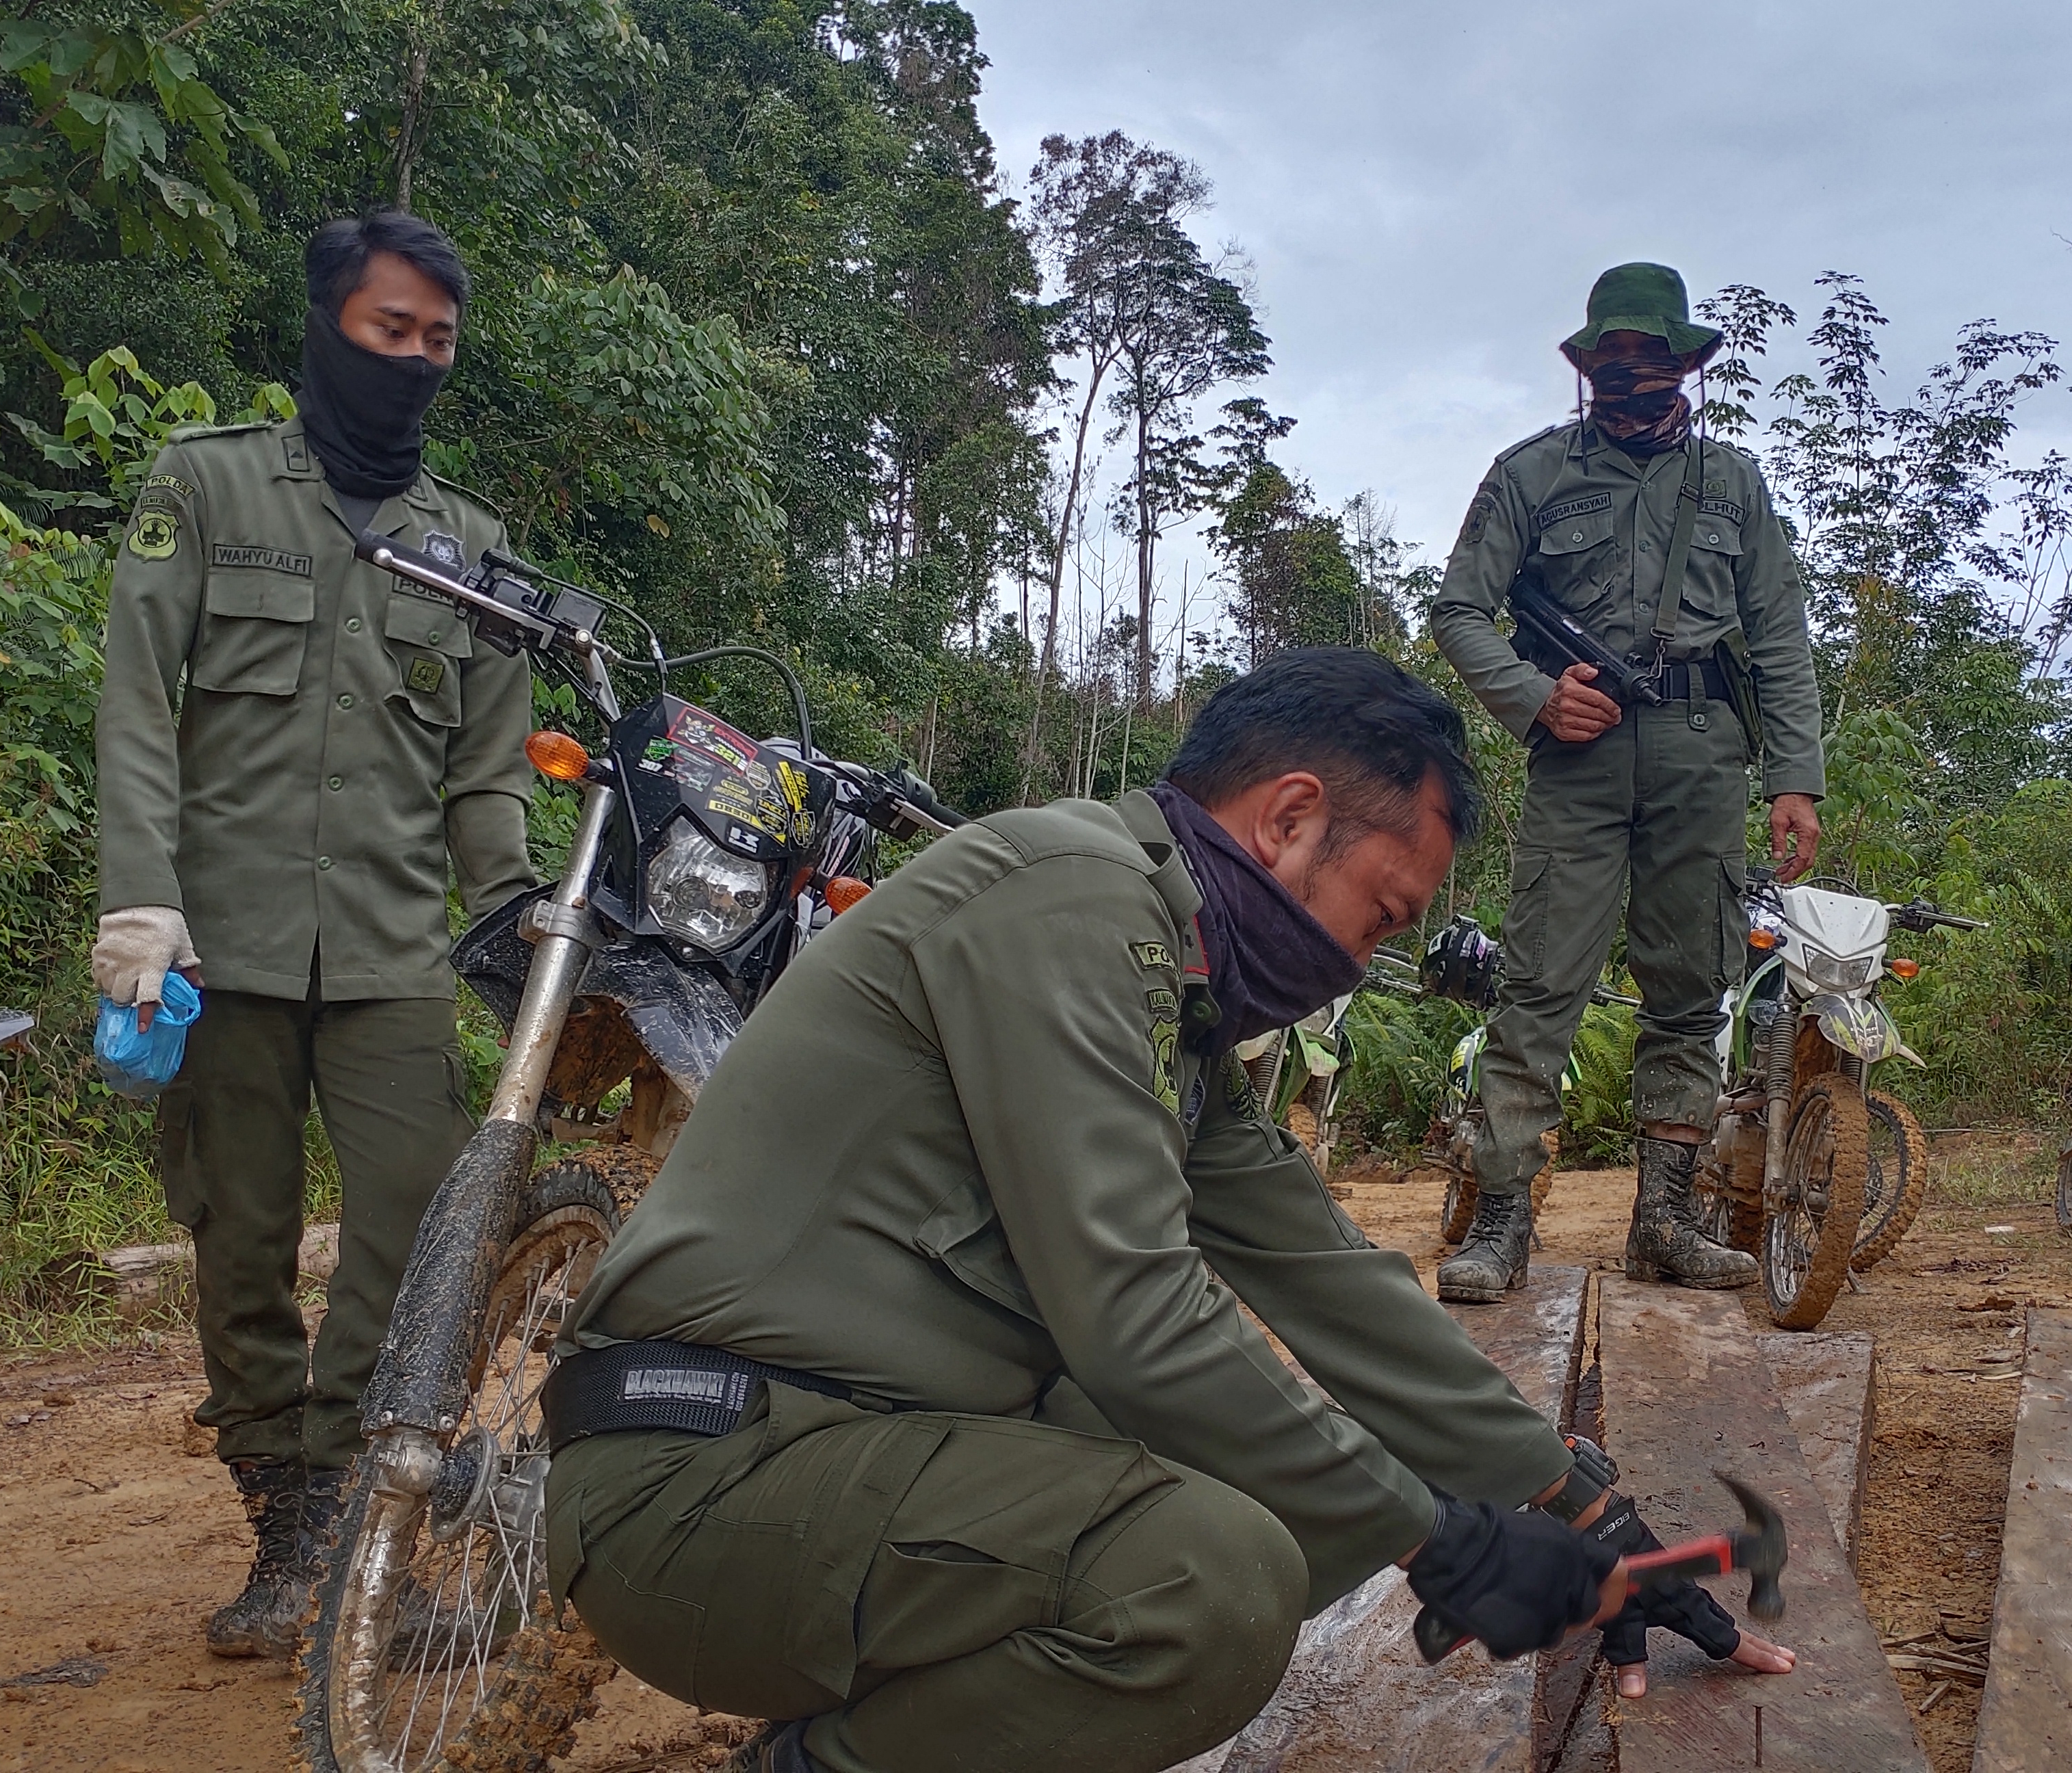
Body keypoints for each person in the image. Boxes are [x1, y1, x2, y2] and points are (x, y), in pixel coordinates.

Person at [540, 649, 1793, 1773]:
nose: (1364, 961)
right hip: (700, 1489)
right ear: (1289, 819)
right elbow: (1136, 1312)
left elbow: (1329, 1274)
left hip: (856, 1455)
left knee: (1306, 1481)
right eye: (1383, 914)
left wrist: (1585, 1508)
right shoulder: (1072, 900)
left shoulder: (1175, 991)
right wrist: (1444, 1543)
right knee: (1213, 1580)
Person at [90, 211, 536, 1655]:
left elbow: (485, 774)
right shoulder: (209, 484)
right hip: (215, 942)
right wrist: (139, 899)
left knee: (417, 1221)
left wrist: (516, 924)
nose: (415, 358)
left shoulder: (472, 550)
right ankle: (284, 1526)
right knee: (240, 1234)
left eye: (439, 341)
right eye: (388, 329)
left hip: (394, 951)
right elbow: (138, 703)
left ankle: (353, 1513)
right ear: (328, 322)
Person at [1428, 262, 1825, 1303]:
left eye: (1652, 355)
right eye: (1614, 356)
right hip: (1580, 756)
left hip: (1704, 749)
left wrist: (1795, 778)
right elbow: (1459, 610)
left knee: (1691, 988)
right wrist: (1535, 697)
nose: (1632, 373)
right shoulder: (1530, 474)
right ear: (1588, 361)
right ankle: (1503, 1222)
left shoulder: (1733, 482)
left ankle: (1665, 1220)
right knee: (1539, 982)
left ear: (1685, 362)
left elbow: (1779, 635)